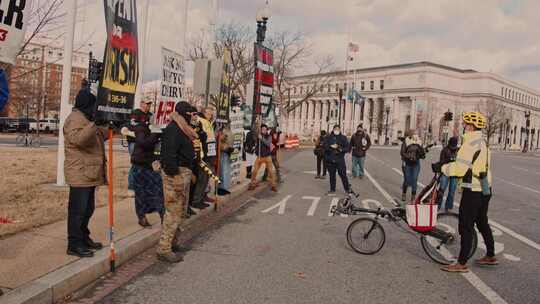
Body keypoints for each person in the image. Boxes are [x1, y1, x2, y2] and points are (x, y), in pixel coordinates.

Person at [440, 112, 496, 273]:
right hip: (485, 188)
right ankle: (491, 255)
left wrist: (442, 167)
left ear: (471, 126)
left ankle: (461, 263)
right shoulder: (482, 142)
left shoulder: (469, 144)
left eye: (465, 124)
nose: (463, 126)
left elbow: (460, 168)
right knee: (482, 222)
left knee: (466, 225)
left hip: (473, 190)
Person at [63, 84, 106, 258]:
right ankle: (74, 244)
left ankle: (83, 237)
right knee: (77, 212)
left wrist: (109, 124)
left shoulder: (86, 118)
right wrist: (95, 124)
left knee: (87, 210)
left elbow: (100, 136)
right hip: (79, 173)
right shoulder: (75, 118)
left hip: (89, 173)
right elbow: (79, 139)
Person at [157, 102, 198, 263]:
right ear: (184, 114)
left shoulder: (184, 129)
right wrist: (176, 178)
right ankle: (163, 248)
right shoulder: (173, 130)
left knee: (180, 212)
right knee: (173, 212)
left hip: (183, 175)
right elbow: (168, 156)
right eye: (192, 114)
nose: (194, 117)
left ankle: (173, 242)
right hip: (175, 176)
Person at [121, 114, 164, 228]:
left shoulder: (161, 130)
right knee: (141, 193)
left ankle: (163, 217)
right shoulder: (141, 128)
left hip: (153, 165)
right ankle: (142, 217)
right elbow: (143, 143)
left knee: (158, 192)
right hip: (140, 165)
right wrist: (155, 133)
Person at [127, 100, 153, 194]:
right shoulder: (136, 113)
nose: (148, 105)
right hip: (134, 141)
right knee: (135, 163)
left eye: (149, 104)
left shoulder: (151, 115)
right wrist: (146, 125)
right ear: (141, 103)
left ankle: (141, 185)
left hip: (146, 142)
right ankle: (131, 186)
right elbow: (132, 125)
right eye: (146, 103)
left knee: (145, 163)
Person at [248, 124, 277, 192]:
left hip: (267, 157)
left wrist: (262, 138)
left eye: (265, 129)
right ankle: (253, 184)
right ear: (260, 130)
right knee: (254, 171)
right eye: (262, 129)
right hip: (259, 157)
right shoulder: (258, 135)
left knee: (271, 172)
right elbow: (254, 132)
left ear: (266, 130)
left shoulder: (269, 136)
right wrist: (256, 124)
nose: (263, 130)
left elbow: (268, 143)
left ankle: (273, 185)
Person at [323, 125, 351, 196]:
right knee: (332, 175)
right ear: (333, 129)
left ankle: (347, 189)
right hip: (330, 160)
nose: (336, 130)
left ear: (340, 130)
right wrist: (330, 147)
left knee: (343, 175)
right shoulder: (328, 137)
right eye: (335, 129)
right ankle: (332, 189)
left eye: (338, 129)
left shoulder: (343, 138)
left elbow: (347, 148)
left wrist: (340, 149)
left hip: (340, 160)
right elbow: (325, 146)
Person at [400, 130, 426, 202]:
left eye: (416, 134)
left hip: (416, 164)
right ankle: (404, 193)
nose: (415, 135)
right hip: (408, 163)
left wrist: (423, 153)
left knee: (414, 179)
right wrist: (409, 157)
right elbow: (402, 152)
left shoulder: (419, 142)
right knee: (407, 180)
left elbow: (422, 154)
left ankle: (413, 196)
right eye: (414, 134)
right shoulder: (406, 141)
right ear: (410, 135)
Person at [437, 136, 459, 211]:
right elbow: (441, 162)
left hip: (455, 173)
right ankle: (438, 205)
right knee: (441, 190)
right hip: (445, 172)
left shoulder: (458, 151)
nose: (453, 148)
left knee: (452, 191)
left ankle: (448, 207)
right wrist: (449, 160)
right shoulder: (445, 150)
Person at [218, 125, 235, 195]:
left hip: (227, 152)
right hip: (223, 152)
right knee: (223, 171)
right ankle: (221, 188)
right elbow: (220, 140)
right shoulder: (222, 130)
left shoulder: (229, 130)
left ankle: (224, 188)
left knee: (226, 171)